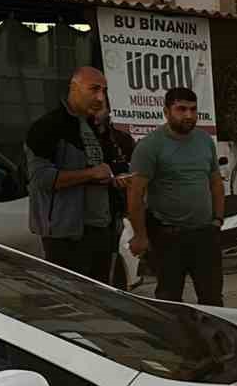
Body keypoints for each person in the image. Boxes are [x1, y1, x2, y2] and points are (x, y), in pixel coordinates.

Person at [128, 87, 225, 305]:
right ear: (166, 111)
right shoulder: (149, 146)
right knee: (169, 301)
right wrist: (140, 235)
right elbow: (135, 193)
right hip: (167, 238)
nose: (188, 115)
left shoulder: (204, 141)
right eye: (181, 109)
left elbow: (215, 182)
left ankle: (212, 340)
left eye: (193, 109)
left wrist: (217, 220)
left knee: (212, 299)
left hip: (204, 235)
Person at [25, 67, 117, 283]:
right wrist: (90, 174)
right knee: (75, 301)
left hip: (100, 230)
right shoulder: (48, 127)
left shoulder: (94, 126)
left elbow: (101, 169)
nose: (100, 97)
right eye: (94, 89)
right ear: (74, 89)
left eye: (104, 91)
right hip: (66, 236)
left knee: (101, 300)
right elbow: (41, 179)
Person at [94, 92, 137, 283]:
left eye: (99, 107)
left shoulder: (121, 141)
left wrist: (123, 180)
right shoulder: (77, 140)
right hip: (85, 219)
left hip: (116, 217)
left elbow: (136, 176)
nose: (95, 113)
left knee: (114, 273)